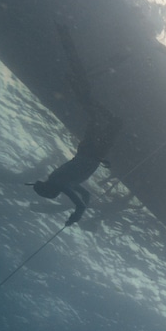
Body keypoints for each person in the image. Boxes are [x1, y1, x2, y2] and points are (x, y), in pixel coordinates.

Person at [31, 24, 123, 225]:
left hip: (93, 153)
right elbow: (86, 197)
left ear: (52, 191)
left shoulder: (60, 183)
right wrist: (81, 207)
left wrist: (76, 216)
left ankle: (87, 98)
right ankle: (87, 98)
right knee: (98, 120)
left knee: (113, 123)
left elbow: (82, 203)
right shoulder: (63, 183)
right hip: (89, 152)